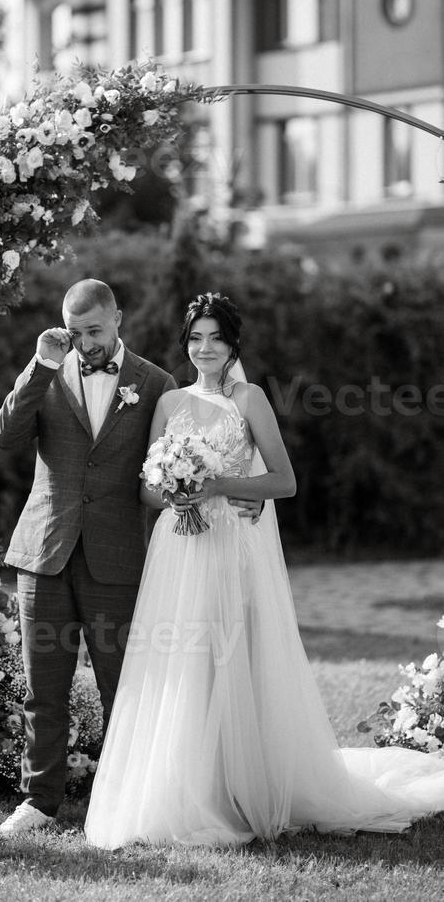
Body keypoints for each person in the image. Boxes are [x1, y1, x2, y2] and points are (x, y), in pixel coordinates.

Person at [85, 292, 444, 848]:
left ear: (232, 343)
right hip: (178, 554)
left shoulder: (249, 399)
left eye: (215, 338)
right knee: (183, 661)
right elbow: (144, 490)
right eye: (195, 338)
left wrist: (219, 485)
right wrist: (175, 495)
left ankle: (242, 785)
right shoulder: (169, 401)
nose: (204, 348)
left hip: (230, 547)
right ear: (186, 343)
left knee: (234, 659)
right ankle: (184, 786)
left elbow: (283, 481)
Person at [0, 279, 262, 835]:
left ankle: (119, 798)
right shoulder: (49, 370)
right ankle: (39, 801)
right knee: (44, 688)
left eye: (94, 330)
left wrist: (240, 498)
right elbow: (4, 436)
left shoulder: (156, 385)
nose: (84, 342)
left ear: (118, 318)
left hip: (117, 557)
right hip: (44, 552)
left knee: (125, 687)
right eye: (74, 330)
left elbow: (191, 460)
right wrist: (41, 365)